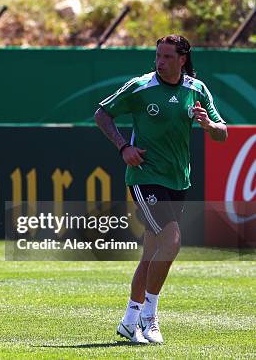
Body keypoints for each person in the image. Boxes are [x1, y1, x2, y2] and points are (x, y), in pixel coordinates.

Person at [95, 35, 227, 344]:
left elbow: (223, 133)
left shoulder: (197, 89)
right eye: (158, 55)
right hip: (144, 177)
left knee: (152, 252)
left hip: (178, 180)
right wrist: (123, 147)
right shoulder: (141, 86)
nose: (160, 61)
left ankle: (130, 319)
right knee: (173, 240)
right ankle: (149, 317)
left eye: (167, 56)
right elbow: (102, 113)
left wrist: (207, 125)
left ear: (182, 60)